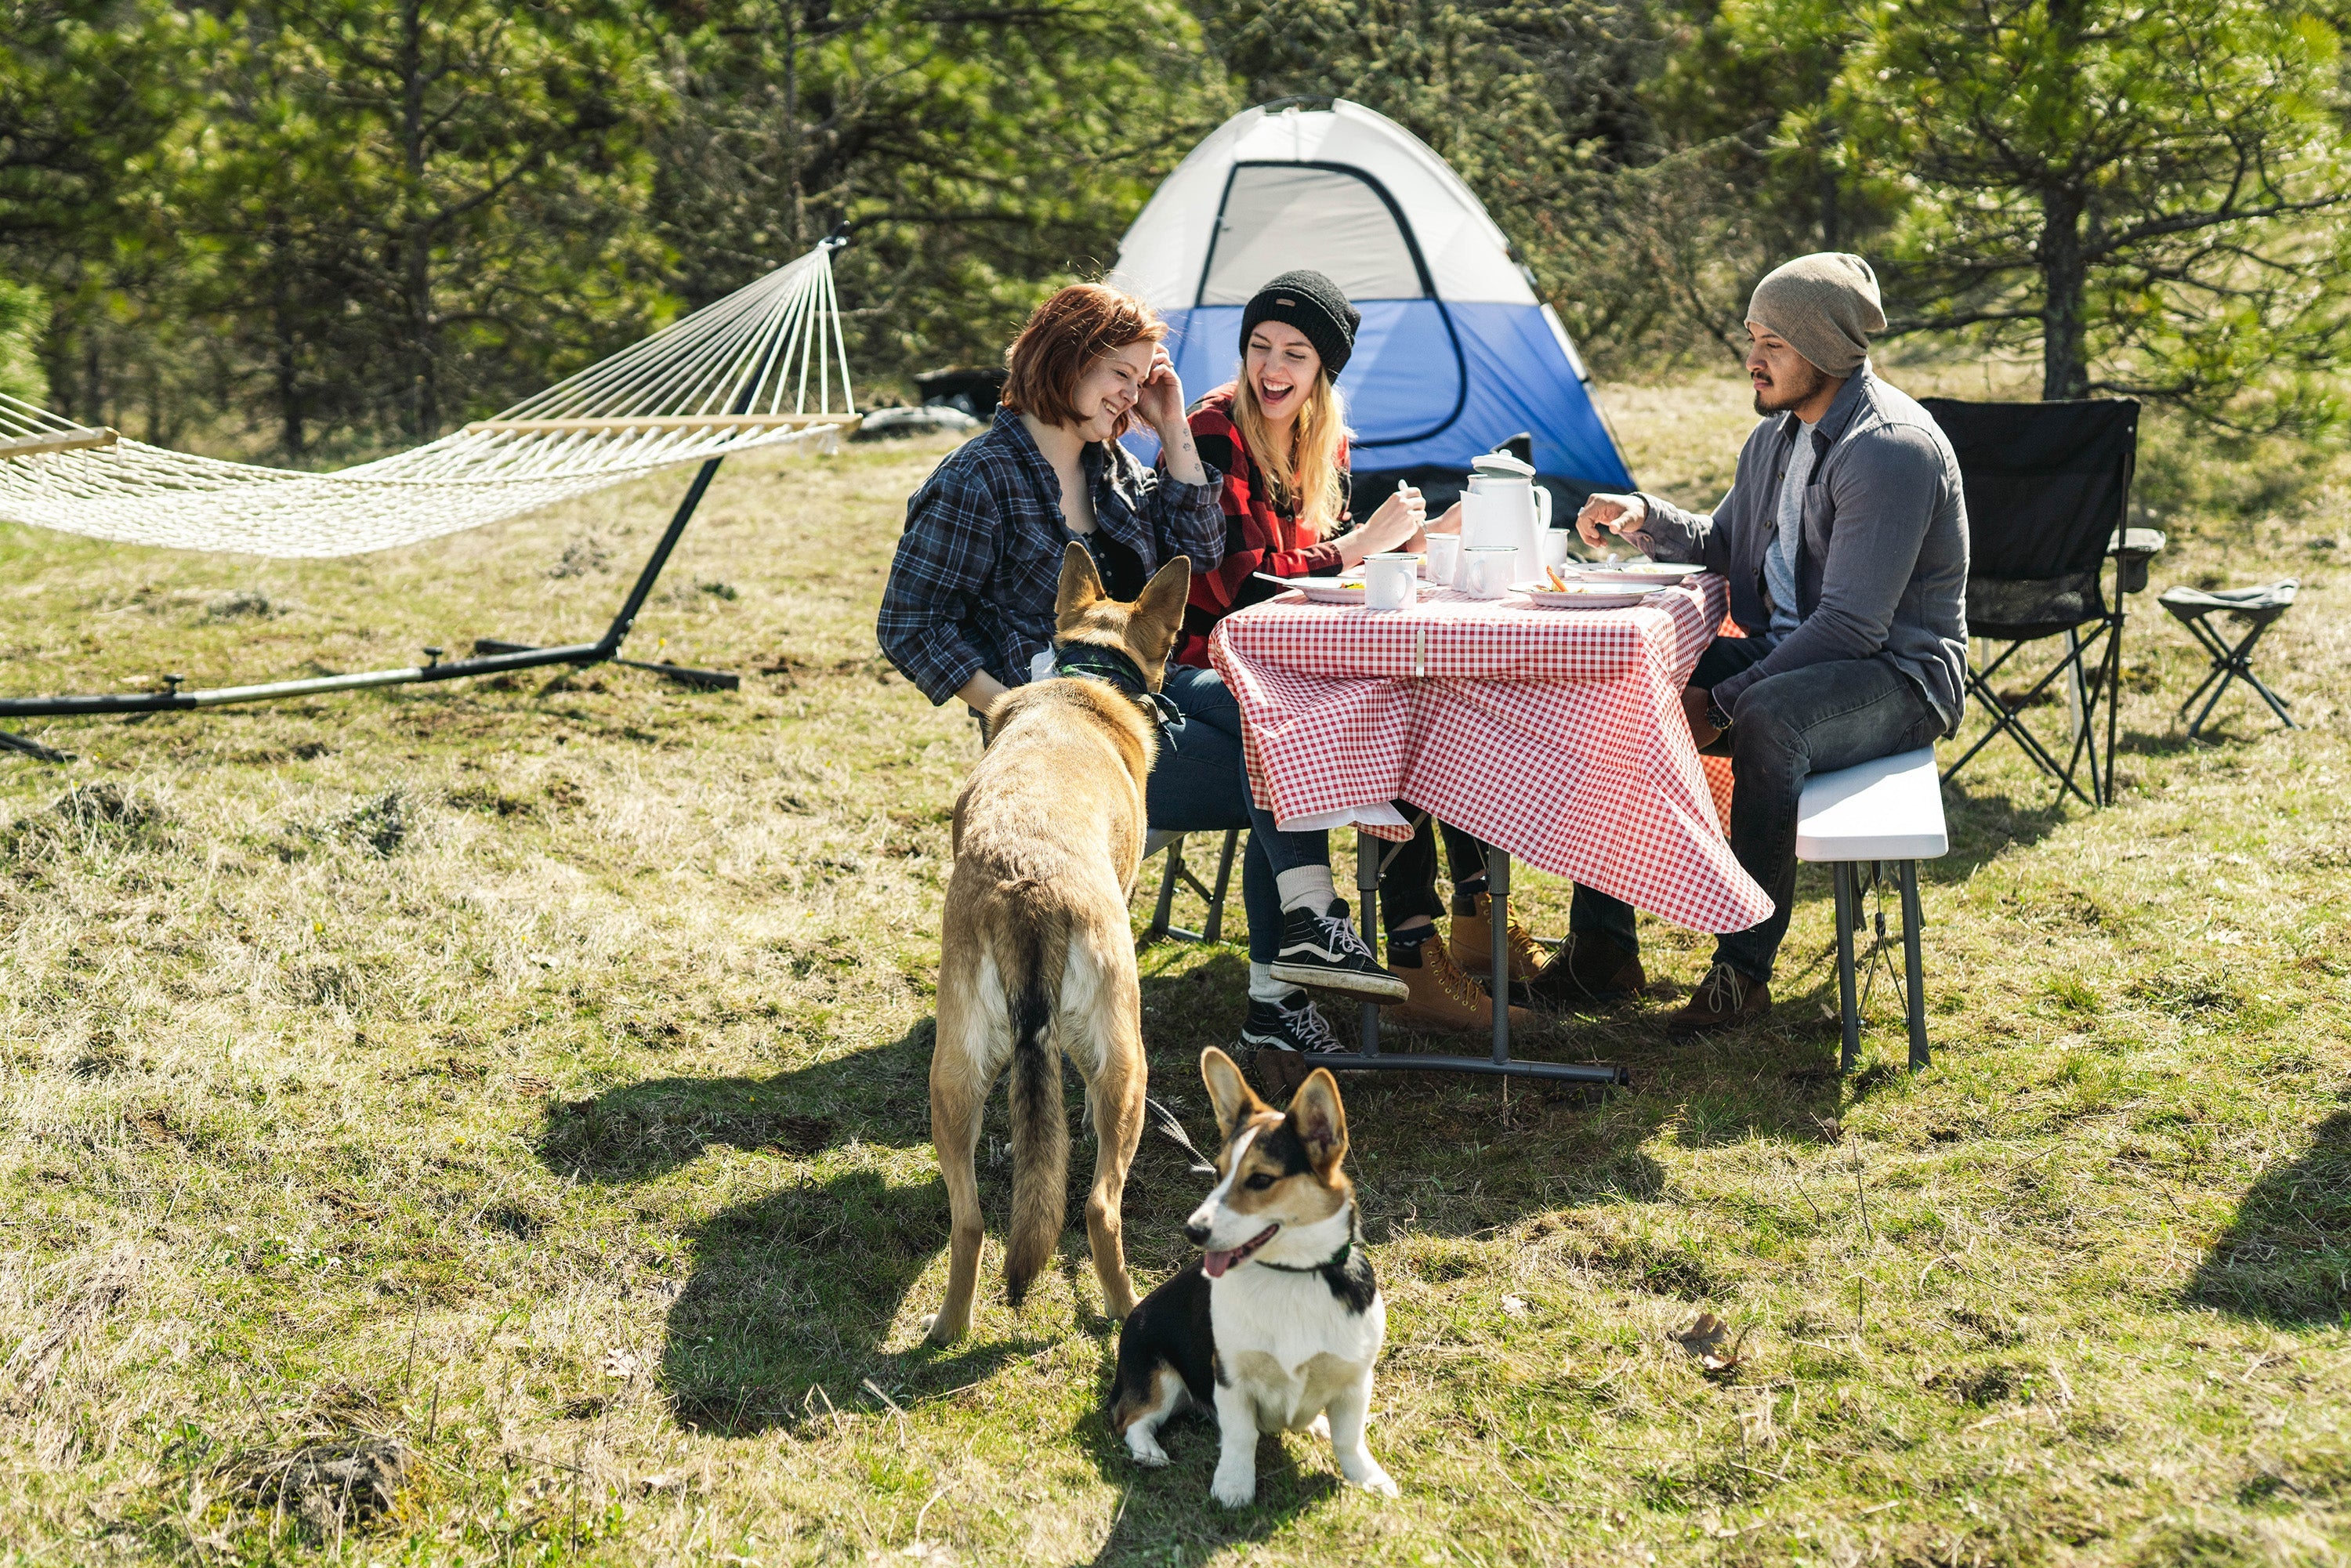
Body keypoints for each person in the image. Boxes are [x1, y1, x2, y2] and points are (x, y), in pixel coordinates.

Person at [877, 281, 1402, 1052]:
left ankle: (1296, 955)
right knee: (1281, 755)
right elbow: (909, 621)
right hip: (1059, 746)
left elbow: (1198, 555)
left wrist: (1171, 425)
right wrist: (1007, 710)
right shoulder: (978, 477)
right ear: (1065, 361)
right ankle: (1286, 983)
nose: (1131, 392)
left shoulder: (1110, 465)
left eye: (1139, 375)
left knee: (1281, 732)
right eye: (1120, 374)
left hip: (1148, 716)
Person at [1552, 252, 1967, 1035]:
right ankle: (1602, 952)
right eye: (1754, 337)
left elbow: (1852, 628)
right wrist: (1644, 513)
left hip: (1898, 677)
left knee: (1772, 717)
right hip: (1800, 652)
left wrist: (1725, 704)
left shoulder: (1890, 449)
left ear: (1826, 349)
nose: (1754, 359)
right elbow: (1726, 540)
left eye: (1773, 343)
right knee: (1624, 677)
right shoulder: (1778, 438)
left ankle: (1741, 972)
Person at [1157, 270, 1436, 1061]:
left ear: (1324, 372)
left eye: (1295, 354)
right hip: (1195, 663)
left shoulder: (1323, 443)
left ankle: (1294, 996)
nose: (1271, 368)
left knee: (1398, 700)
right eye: (1259, 347)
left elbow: (1312, 580)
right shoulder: (1215, 430)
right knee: (1277, 732)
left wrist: (1403, 545)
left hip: (1284, 667)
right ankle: (1312, 925)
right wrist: (1358, 547)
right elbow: (1235, 582)